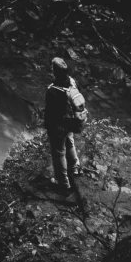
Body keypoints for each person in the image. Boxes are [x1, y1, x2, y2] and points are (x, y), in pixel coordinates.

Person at [44, 55, 86, 198]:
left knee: (59, 153)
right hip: (71, 123)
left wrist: (48, 127)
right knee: (70, 143)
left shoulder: (52, 90)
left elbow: (49, 114)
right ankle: (75, 168)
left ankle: (63, 183)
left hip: (58, 126)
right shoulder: (73, 83)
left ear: (55, 72)